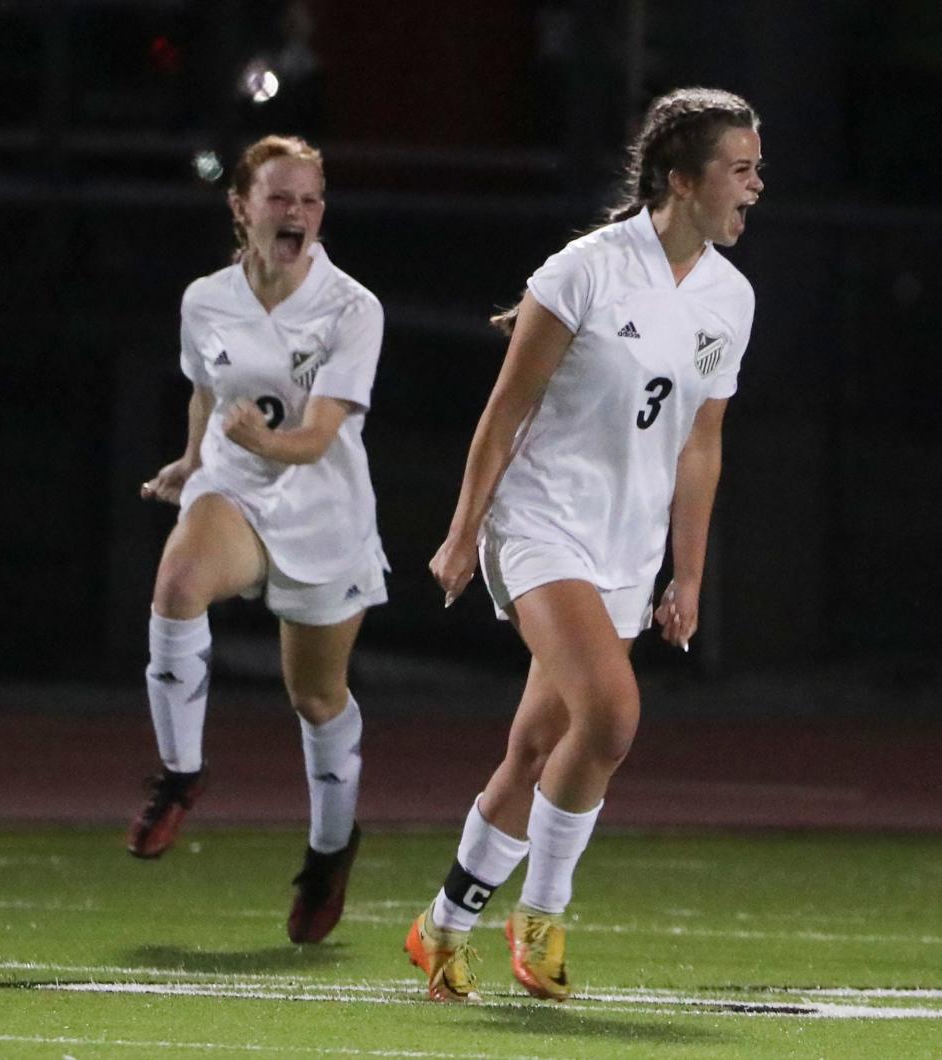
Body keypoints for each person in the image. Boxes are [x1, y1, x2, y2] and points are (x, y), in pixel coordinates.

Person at [404, 87, 763, 1002]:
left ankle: (443, 924)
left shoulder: (731, 297)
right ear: (681, 180)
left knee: (537, 747)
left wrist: (687, 573)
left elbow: (700, 443)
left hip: (624, 546)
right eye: (741, 169)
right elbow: (504, 410)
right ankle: (544, 917)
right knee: (611, 714)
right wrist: (459, 535)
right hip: (538, 521)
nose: (757, 187)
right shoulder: (586, 270)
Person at [127, 134, 388, 946]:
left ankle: (331, 849)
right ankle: (179, 775)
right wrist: (191, 459)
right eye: (280, 197)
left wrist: (258, 443)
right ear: (241, 207)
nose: (298, 213)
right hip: (236, 489)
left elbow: (313, 442)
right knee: (176, 586)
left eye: (310, 199)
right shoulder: (206, 299)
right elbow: (208, 395)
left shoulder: (352, 308)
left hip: (323, 506)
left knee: (315, 697)